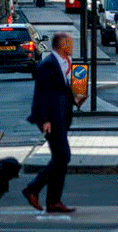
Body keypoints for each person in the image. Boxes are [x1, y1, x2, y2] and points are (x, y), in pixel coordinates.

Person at [23, 31, 83, 214]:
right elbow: (42, 94)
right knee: (63, 156)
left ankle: (53, 201)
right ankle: (33, 189)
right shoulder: (47, 65)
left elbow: (60, 91)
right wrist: (45, 119)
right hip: (51, 119)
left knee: (60, 158)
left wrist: (75, 99)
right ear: (62, 45)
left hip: (61, 117)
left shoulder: (63, 63)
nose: (72, 46)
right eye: (70, 43)